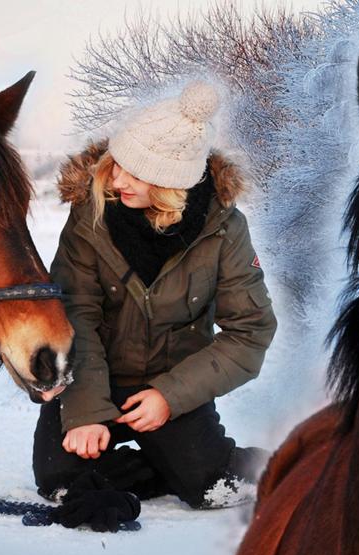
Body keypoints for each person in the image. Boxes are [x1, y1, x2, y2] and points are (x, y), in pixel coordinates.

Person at [33, 80, 277, 530]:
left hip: (171, 388)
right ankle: (153, 466)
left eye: (138, 174)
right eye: (118, 165)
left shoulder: (224, 232)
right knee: (59, 480)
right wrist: (86, 412)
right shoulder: (89, 218)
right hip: (95, 377)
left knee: (210, 486)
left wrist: (170, 395)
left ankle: (281, 466)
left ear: (171, 185)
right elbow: (76, 316)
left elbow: (251, 332)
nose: (119, 180)